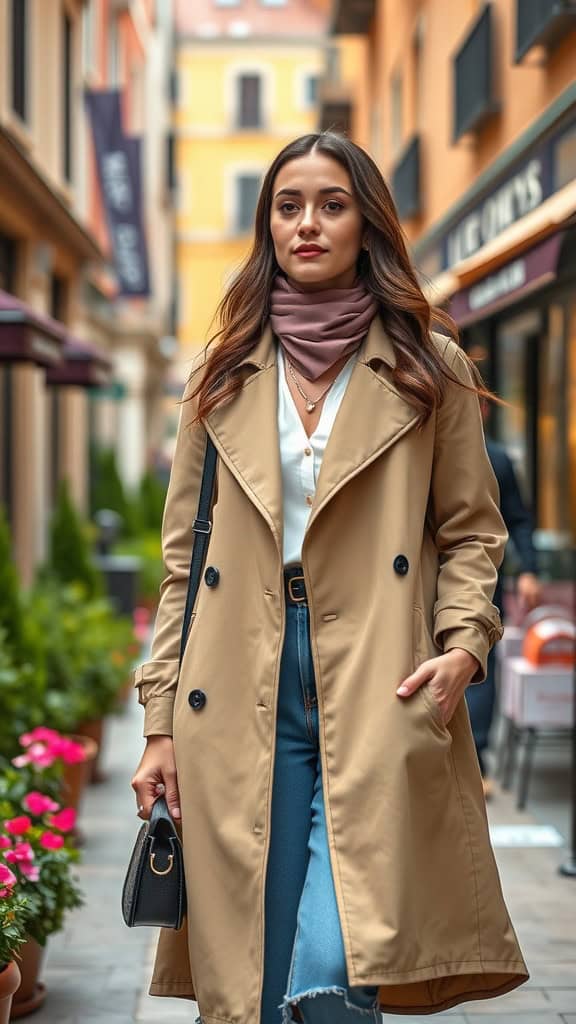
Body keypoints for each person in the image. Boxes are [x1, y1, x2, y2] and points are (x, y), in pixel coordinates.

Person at [131, 132, 528, 1024]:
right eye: (288, 205)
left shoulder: (431, 368)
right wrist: (158, 724)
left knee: (338, 961)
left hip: (383, 669)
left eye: (332, 204)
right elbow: (181, 565)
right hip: (239, 674)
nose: (307, 223)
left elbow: (472, 532)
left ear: (367, 224)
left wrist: (464, 646)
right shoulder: (222, 376)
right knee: (258, 971)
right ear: (268, 225)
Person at [466, 414, 541, 797]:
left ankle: (476, 762)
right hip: (418, 582)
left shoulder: (496, 458)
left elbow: (520, 519)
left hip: (482, 582)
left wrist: (528, 569)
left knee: (478, 667)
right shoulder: (417, 446)